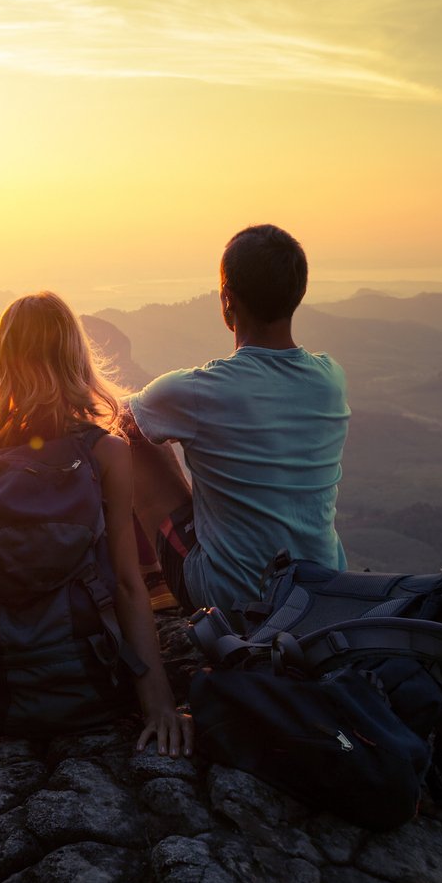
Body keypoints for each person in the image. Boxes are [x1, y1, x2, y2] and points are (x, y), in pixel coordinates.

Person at [0, 291, 191, 755]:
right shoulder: (107, 451)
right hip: (90, 681)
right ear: (75, 359)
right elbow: (124, 582)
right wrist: (158, 703)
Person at [121, 225, 350, 613]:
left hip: (230, 598)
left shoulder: (195, 391)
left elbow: (115, 416)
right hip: (321, 590)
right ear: (297, 295)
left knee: (132, 439)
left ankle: (151, 582)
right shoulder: (330, 378)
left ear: (227, 300)